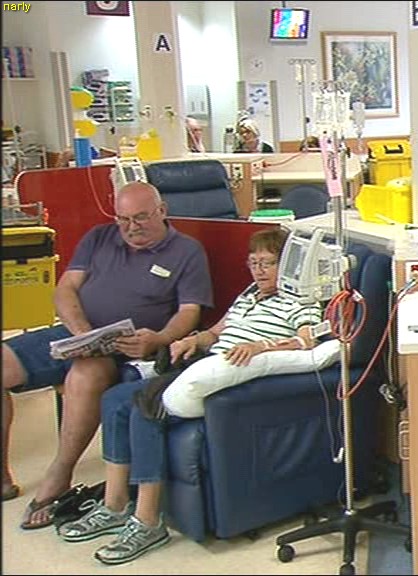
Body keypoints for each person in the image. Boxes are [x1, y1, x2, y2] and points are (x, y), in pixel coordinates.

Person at [56, 227, 321, 565]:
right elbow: (216, 332)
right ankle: (115, 503)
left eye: (267, 263)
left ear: (287, 267)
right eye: (253, 263)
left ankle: (148, 522)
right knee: (114, 401)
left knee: (146, 407)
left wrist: (262, 346)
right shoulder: (249, 295)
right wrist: (193, 340)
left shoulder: (299, 302)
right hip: (202, 363)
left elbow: (307, 341)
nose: (259, 270)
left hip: (226, 375)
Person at [2, 182, 213, 527]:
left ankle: (60, 472)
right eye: (123, 219)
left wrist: (158, 339)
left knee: (85, 374)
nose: (131, 227)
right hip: (75, 332)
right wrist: (82, 332)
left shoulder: (186, 251)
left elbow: (189, 312)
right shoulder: (99, 237)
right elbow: (65, 289)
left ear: (162, 211)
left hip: (126, 347)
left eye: (141, 217)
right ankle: (2, 477)